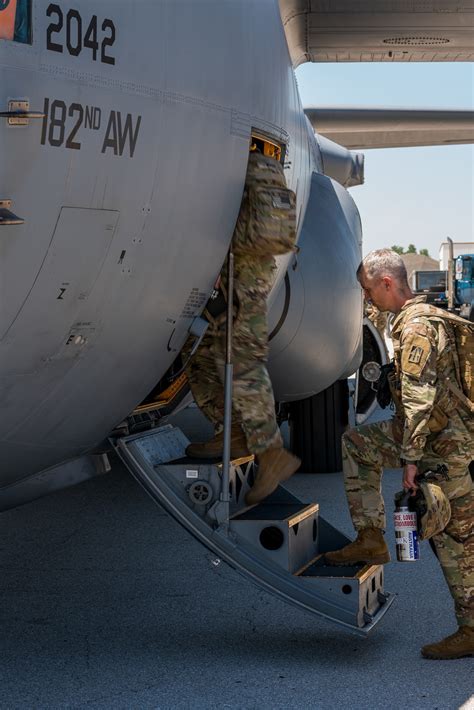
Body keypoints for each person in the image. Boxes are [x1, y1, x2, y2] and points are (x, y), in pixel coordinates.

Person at [324, 248, 473, 660]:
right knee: (357, 445)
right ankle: (371, 537)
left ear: (387, 283)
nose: (367, 298)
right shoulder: (419, 318)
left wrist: (410, 460)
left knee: (452, 538)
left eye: (368, 290)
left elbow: (418, 399)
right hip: (451, 438)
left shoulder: (418, 329)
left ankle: (471, 628)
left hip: (436, 446)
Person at [184, 145, 301, 506]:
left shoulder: (231, 158)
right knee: (203, 356)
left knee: (244, 362)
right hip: (247, 264)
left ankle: (271, 454)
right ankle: (233, 430)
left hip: (243, 269)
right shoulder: (257, 163)